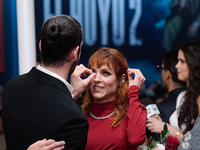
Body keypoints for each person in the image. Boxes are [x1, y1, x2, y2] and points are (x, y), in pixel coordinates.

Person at [2, 14, 95, 150]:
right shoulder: (74, 120)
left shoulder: (11, 86)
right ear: (75, 53)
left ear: (41, 46)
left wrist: (70, 94)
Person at [71, 47, 147, 150]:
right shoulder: (80, 115)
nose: (96, 79)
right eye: (93, 72)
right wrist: (73, 93)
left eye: (105, 73)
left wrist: (133, 93)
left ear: (121, 79)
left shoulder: (134, 111)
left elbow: (136, 140)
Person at [147, 40, 200, 150]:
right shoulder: (182, 97)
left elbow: (195, 144)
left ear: (194, 63)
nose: (176, 66)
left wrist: (167, 129)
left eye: (182, 61)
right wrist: (161, 125)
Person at [147, 50, 186, 140]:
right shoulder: (194, 100)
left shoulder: (159, 110)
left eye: (161, 69)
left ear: (168, 74)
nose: (160, 73)